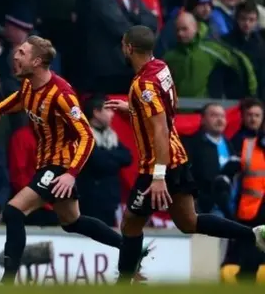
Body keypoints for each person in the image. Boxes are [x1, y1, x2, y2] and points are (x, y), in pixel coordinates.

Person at [0, 36, 146, 285]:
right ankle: (129, 249)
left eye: (22, 53)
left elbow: (87, 137)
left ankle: (7, 282)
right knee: (72, 222)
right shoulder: (30, 84)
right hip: (47, 164)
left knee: (13, 211)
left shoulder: (62, 95)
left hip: (59, 166)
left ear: (37, 61)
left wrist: (70, 173)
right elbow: (19, 99)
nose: (15, 56)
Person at [104, 25, 265, 283]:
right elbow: (167, 110)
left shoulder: (142, 84)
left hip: (158, 163)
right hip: (176, 157)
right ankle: (255, 234)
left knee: (130, 224)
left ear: (129, 48)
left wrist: (158, 176)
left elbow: (159, 128)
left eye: (124, 44)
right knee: (189, 221)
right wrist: (134, 109)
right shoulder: (161, 68)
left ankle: (126, 281)